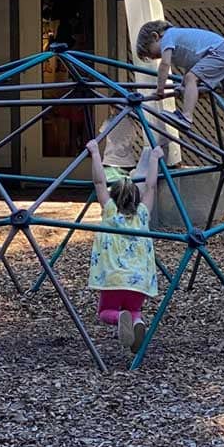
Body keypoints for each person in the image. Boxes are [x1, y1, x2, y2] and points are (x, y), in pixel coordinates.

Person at [86, 139, 163, 353]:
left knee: (106, 311)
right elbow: (151, 185)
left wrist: (95, 153)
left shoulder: (110, 212)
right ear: (136, 200)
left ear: (113, 198)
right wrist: (155, 158)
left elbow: (99, 183)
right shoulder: (143, 215)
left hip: (113, 278)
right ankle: (137, 323)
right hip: (138, 279)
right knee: (135, 310)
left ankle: (119, 318)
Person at [136, 20, 224, 132]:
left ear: (155, 36)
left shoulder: (168, 36)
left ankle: (186, 117)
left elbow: (165, 65)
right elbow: (194, 65)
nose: (154, 57)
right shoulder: (180, 39)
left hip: (218, 52)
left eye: (150, 52)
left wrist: (160, 89)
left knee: (191, 78)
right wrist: (183, 86)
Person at [99, 97, 138, 182]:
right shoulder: (130, 122)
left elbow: (101, 134)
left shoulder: (108, 122)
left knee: (110, 191)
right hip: (128, 162)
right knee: (127, 191)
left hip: (110, 161)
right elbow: (134, 137)